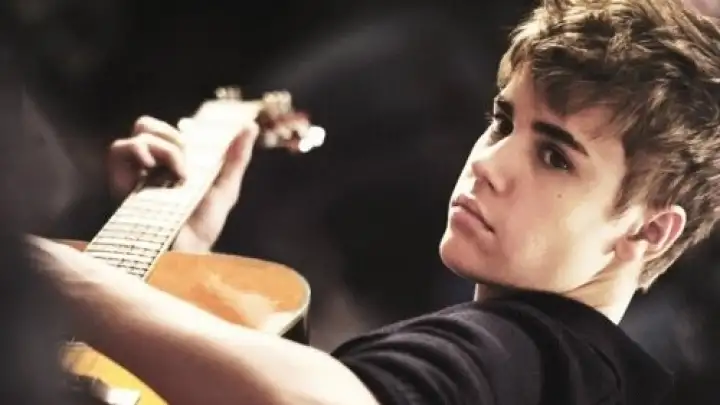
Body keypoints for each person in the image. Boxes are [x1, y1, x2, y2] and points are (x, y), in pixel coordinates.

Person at [31, 0, 720, 404]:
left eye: (554, 156)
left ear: (650, 231)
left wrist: (60, 278)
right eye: (503, 122)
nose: (489, 164)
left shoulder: (536, 353)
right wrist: (182, 263)